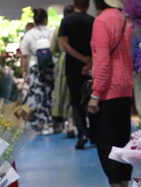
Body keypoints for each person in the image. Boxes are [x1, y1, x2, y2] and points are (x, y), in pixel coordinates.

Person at [88, 0, 134, 187]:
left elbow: (104, 61)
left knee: (106, 141)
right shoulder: (125, 20)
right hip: (125, 88)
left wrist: (96, 94)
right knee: (123, 140)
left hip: (108, 90)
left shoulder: (101, 21)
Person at [59, 0, 95, 149]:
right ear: (87, 5)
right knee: (91, 99)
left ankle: (82, 134)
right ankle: (94, 134)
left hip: (72, 67)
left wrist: (80, 58)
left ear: (74, 4)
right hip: (91, 67)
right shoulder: (93, 21)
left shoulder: (66, 21)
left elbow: (64, 45)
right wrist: (89, 61)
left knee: (76, 102)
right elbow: (97, 44)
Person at [21, 9, 55, 134]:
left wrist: (25, 73)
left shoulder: (29, 35)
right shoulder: (52, 32)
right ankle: (53, 123)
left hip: (36, 69)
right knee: (51, 95)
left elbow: (24, 56)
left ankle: (42, 124)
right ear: (46, 19)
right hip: (51, 68)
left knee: (38, 97)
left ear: (34, 20)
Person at [51, 5, 74, 135]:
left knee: (61, 93)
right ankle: (72, 124)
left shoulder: (58, 29)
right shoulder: (79, 26)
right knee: (74, 94)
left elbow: (52, 48)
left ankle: (61, 123)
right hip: (81, 61)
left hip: (64, 62)